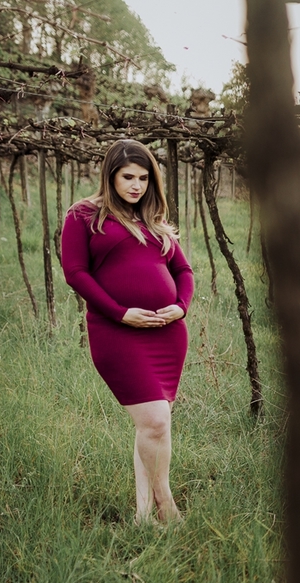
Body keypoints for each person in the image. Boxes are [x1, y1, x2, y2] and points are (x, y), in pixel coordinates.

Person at [61, 139, 194, 525]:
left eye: (143, 178)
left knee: (153, 425)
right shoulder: (84, 215)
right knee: (154, 422)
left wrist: (180, 307)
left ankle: (142, 516)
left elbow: (183, 273)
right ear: (111, 176)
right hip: (116, 332)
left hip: (166, 334)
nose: (136, 185)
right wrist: (121, 314)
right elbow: (76, 274)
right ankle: (166, 506)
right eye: (127, 177)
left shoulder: (153, 221)